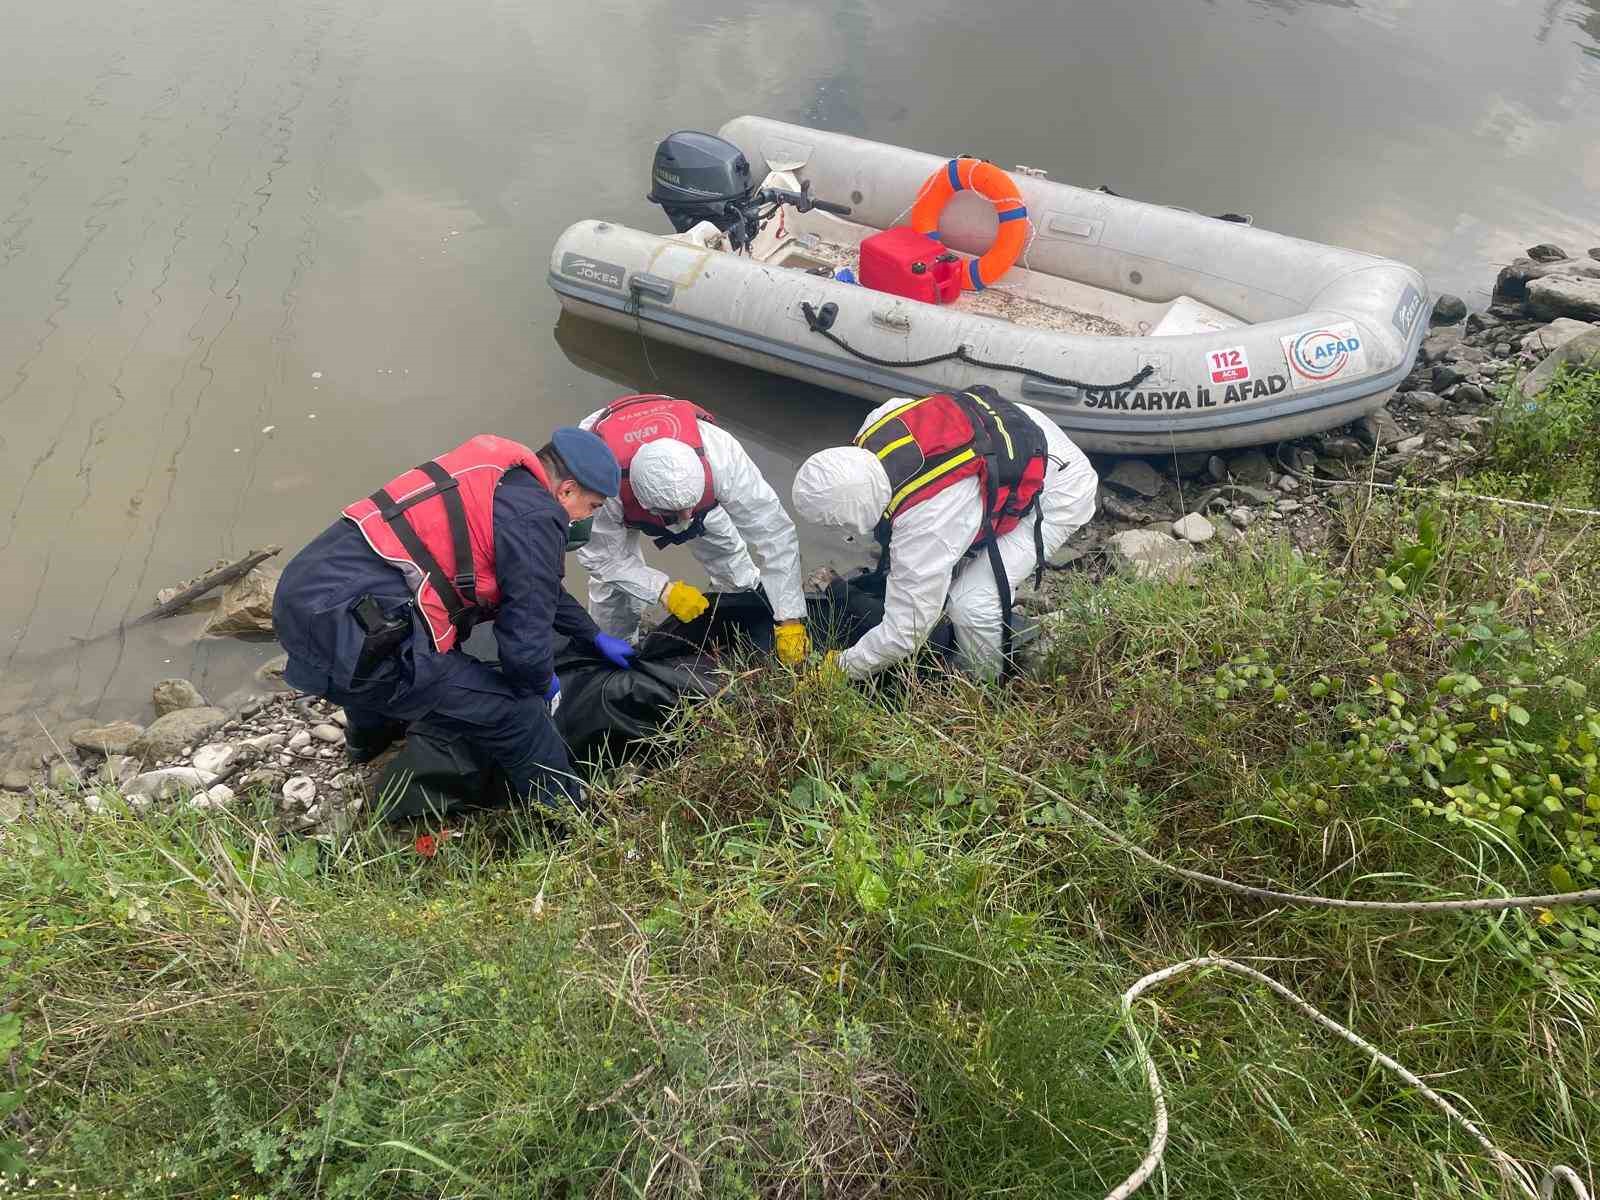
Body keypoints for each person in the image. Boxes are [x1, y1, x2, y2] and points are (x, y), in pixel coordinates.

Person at [271, 430, 637, 811]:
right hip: (356, 631)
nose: (587, 518)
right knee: (520, 716)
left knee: (367, 659)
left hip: (305, 597)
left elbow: (538, 585)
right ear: (567, 491)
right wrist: (542, 683)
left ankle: (366, 745)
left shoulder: (499, 475)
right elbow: (524, 652)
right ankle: (568, 822)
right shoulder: (538, 517)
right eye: (592, 506)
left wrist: (591, 635)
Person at [790, 386, 1097, 681]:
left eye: (838, 521)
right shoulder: (875, 426)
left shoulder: (928, 524)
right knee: (943, 573)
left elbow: (905, 633)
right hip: (1010, 430)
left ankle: (983, 683)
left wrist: (838, 668)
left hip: (1058, 486)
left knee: (972, 603)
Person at [576, 394, 810, 665]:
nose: (685, 518)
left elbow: (774, 533)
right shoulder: (599, 480)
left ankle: (739, 603)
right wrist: (662, 590)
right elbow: (602, 558)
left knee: (729, 558)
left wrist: (789, 616)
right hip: (617, 474)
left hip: (694, 488)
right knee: (613, 591)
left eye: (689, 507)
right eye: (672, 515)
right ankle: (617, 648)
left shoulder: (722, 457)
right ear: (640, 499)